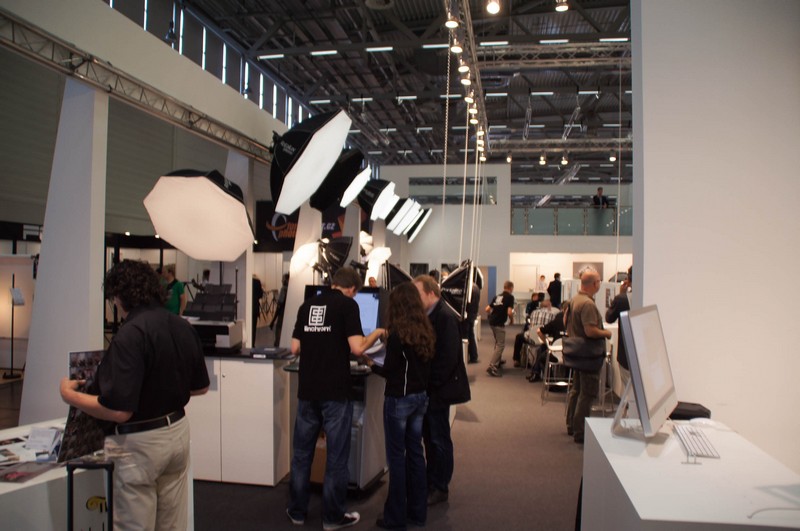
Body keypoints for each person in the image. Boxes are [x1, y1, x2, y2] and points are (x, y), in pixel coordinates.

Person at [59, 259, 210, 530]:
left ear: (119, 295)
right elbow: (201, 387)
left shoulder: (130, 334)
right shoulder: (181, 326)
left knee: (134, 525)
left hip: (140, 445)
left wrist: (70, 395)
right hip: (177, 433)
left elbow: (119, 410)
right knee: (172, 525)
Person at [286, 267, 384, 530]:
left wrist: (318, 345)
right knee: (337, 457)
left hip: (307, 390)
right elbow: (357, 348)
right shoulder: (348, 306)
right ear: (351, 289)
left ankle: (296, 511)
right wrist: (377, 333)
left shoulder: (307, 305)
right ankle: (332, 517)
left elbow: (294, 347)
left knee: (301, 454)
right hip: (335, 392)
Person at [361, 282, 435, 530]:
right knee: (415, 454)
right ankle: (417, 512)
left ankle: (395, 517)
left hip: (399, 400)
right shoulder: (425, 331)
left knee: (396, 458)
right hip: (420, 399)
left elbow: (390, 370)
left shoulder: (397, 336)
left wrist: (370, 364)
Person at [413, 275, 470, 506]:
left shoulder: (445, 317)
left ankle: (440, 486)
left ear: (430, 293)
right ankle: (433, 481)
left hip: (438, 391)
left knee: (438, 439)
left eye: (417, 293)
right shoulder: (430, 315)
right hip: (431, 389)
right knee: (430, 438)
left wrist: (429, 384)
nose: (414, 299)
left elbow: (447, 359)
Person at [565, 269, 612, 444]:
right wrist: (606, 333)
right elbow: (590, 331)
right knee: (587, 393)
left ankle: (571, 424)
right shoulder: (588, 305)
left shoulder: (575, 300)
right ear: (594, 283)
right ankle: (580, 431)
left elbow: (566, 323)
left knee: (577, 390)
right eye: (599, 281)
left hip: (578, 354)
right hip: (588, 355)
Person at [528, 303, 569, 382]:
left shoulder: (556, 320)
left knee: (542, 353)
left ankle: (549, 379)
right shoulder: (577, 322)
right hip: (572, 355)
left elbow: (539, 331)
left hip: (555, 353)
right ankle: (568, 380)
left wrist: (546, 344)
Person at [605, 266, 632, 377]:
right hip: (646, 354)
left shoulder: (622, 299)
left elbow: (609, 318)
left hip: (626, 354)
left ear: (628, 280)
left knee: (626, 385)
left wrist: (621, 294)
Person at [513, 298, 556, 368]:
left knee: (518, 337)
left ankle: (516, 359)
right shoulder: (552, 315)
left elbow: (531, 325)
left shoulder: (533, 313)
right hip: (543, 339)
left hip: (531, 338)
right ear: (549, 306)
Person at [485, 280, 515, 377]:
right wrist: (512, 320)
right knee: (500, 345)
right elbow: (509, 312)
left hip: (492, 322)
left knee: (498, 341)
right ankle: (492, 366)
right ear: (511, 288)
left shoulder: (497, 296)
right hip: (499, 324)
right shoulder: (510, 297)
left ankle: (498, 359)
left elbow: (487, 309)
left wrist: (492, 315)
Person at [463, 281, 481, 364]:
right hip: (473, 314)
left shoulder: (468, 287)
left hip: (467, 315)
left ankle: (466, 357)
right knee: (471, 335)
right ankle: (473, 356)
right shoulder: (476, 287)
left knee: (466, 336)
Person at [270, 272, 289, 346]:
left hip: (282, 312)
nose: (282, 280)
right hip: (288, 313)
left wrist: (273, 320)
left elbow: (280, 303)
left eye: (283, 279)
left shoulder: (284, 289)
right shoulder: (291, 290)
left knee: (279, 328)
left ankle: (277, 343)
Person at [252, 275, 264, 346]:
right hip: (255, 308)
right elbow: (260, 295)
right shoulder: (257, 282)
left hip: (247, 308)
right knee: (253, 328)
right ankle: (252, 344)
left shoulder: (245, 281)